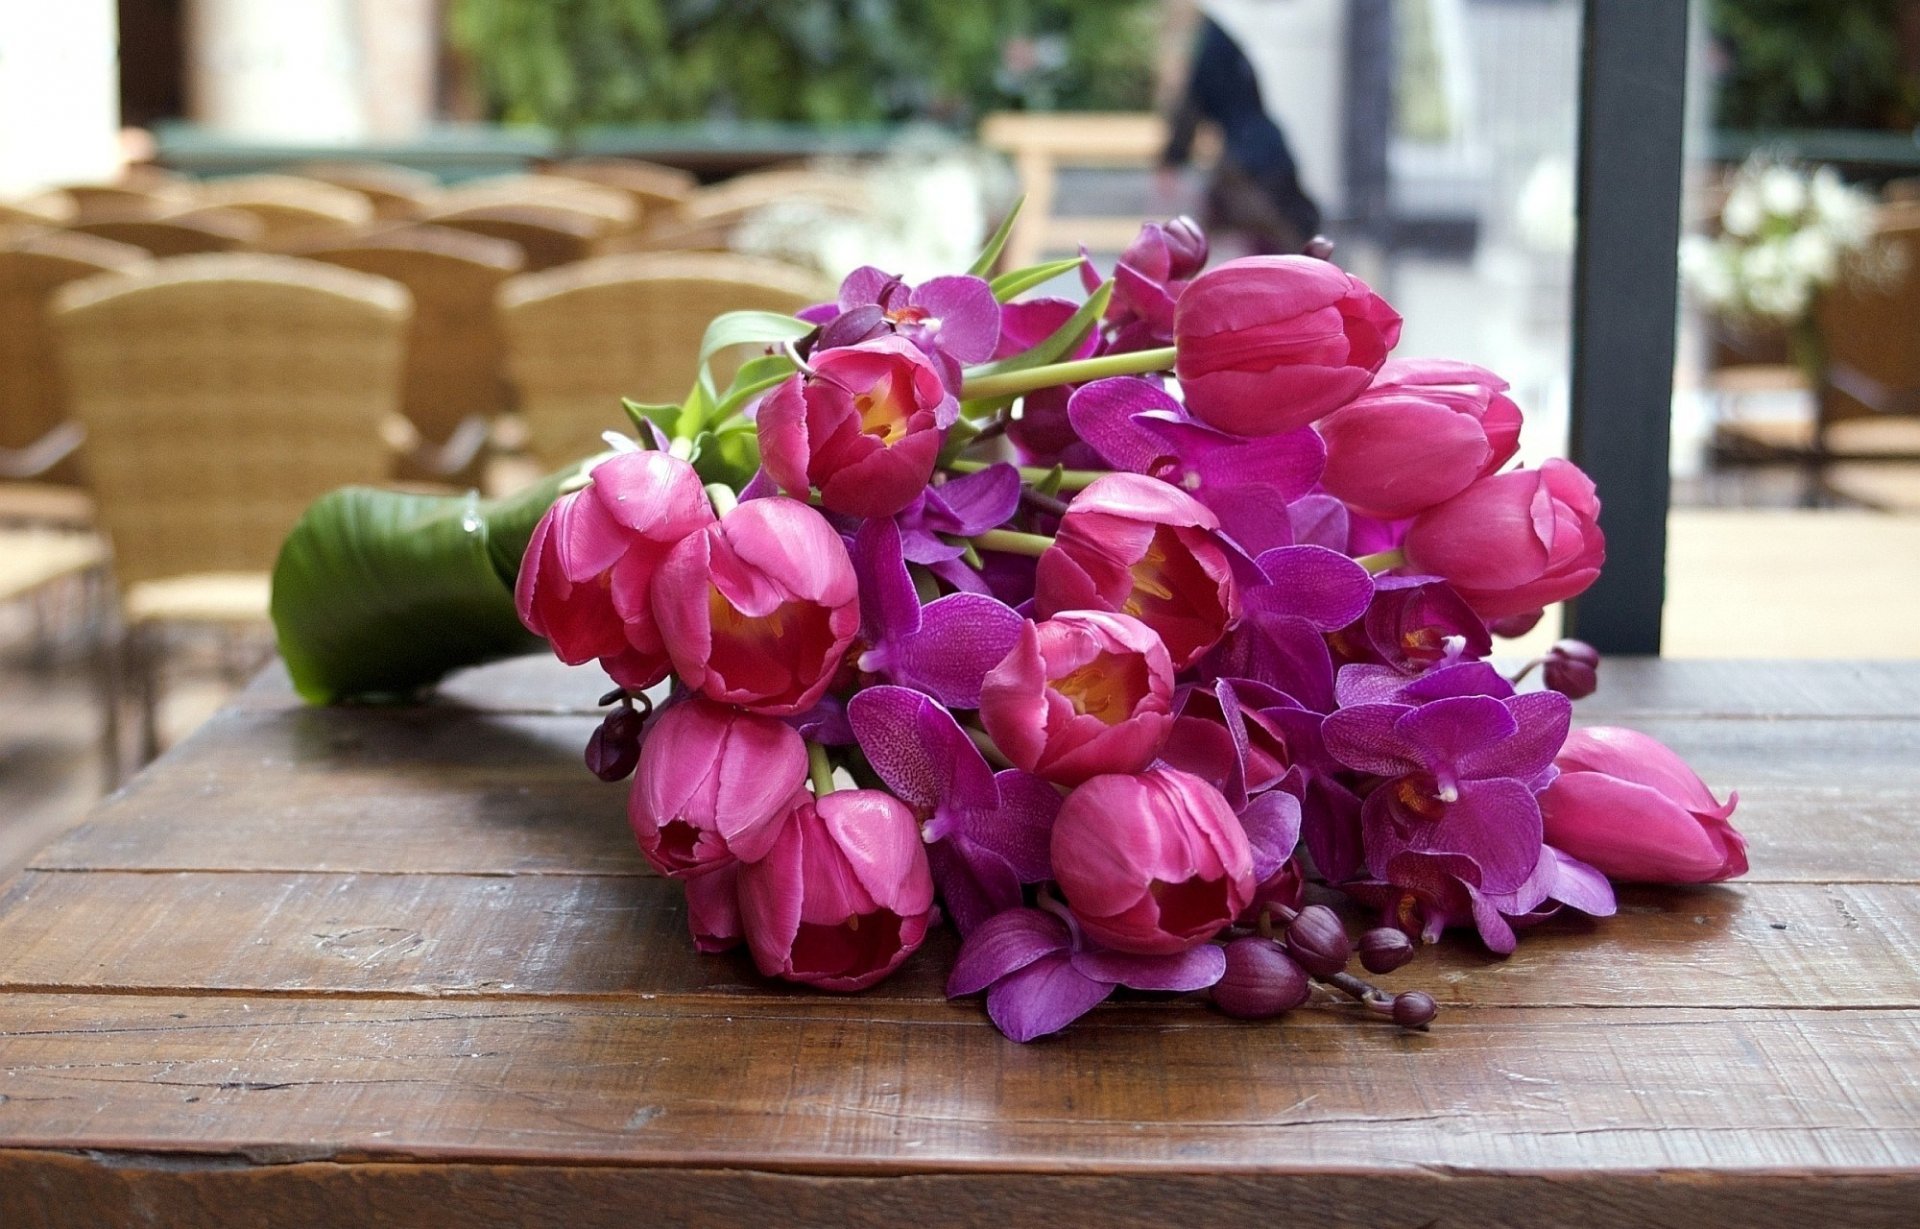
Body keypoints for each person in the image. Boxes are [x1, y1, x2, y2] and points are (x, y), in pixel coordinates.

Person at [1160, 7, 1324, 254]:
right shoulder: (1227, 37)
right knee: (1283, 233)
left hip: (1248, 162)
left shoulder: (1213, 40)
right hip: (1264, 152)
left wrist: (1171, 160)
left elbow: (1193, 103)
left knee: (1280, 236)